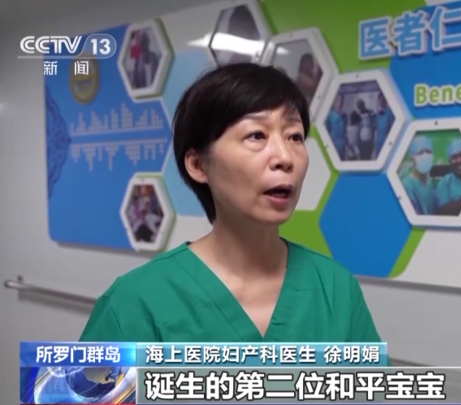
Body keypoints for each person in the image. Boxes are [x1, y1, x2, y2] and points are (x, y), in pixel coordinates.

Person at [79, 63, 383, 343]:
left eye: (294, 137)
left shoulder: (336, 290)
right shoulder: (135, 304)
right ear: (198, 165)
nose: (285, 157)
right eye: (256, 135)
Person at [401, 136, 437, 215]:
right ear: (412, 159)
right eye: (420, 153)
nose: (425, 155)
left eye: (428, 152)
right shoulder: (407, 186)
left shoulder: (429, 184)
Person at [325, 94, 348, 160]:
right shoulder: (330, 115)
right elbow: (327, 130)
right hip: (333, 142)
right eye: (338, 100)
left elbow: (345, 130)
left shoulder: (345, 115)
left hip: (342, 143)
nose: (340, 102)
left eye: (342, 100)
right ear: (335, 101)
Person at [374, 93, 395, 158]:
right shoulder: (378, 114)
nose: (381, 101)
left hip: (387, 140)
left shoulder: (390, 112)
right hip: (379, 141)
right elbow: (377, 129)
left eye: (383, 99)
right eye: (380, 99)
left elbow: (392, 128)